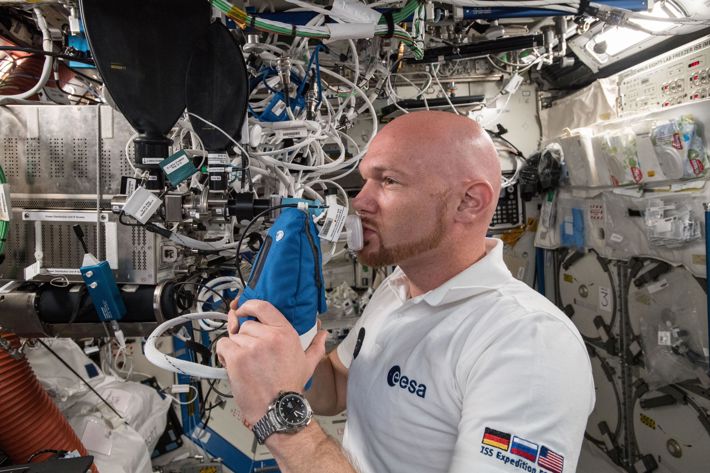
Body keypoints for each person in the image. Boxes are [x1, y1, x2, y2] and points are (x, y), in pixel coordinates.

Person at [217, 111, 595, 473]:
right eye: (366, 180)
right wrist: (285, 343)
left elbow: (290, 414)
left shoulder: (529, 342)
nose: (360, 201)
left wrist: (279, 414)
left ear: (469, 202)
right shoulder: (398, 287)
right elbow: (336, 387)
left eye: (389, 181)